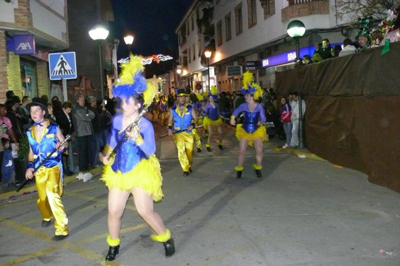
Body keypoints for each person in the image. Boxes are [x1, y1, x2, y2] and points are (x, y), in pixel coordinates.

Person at [99, 55, 175, 261]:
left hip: (140, 170)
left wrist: (138, 138)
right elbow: (113, 142)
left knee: (145, 211)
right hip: (119, 170)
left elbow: (150, 151)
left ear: (138, 105)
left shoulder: (145, 125)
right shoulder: (116, 120)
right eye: (122, 100)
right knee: (114, 211)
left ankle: (166, 237)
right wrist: (106, 155)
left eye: (128, 101)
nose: (123, 104)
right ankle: (113, 245)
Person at [25, 100, 69, 241]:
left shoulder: (54, 127)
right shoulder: (29, 131)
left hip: (53, 167)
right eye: (32, 112)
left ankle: (62, 228)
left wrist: (62, 147)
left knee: (52, 194)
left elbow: (64, 142)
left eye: (37, 111)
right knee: (42, 199)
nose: (34, 114)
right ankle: (46, 215)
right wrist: (30, 166)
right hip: (39, 169)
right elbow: (31, 151)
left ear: (43, 112)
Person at [230, 72, 267, 178]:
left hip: (256, 130)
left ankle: (258, 167)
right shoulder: (243, 105)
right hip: (245, 130)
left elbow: (264, 118)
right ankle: (239, 168)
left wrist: (261, 121)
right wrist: (232, 118)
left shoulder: (259, 106)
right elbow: (236, 112)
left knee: (259, 150)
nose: (245, 97)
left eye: (247, 95)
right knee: (241, 151)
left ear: (252, 96)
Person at [167, 88, 198, 176]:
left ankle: (189, 165)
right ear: (177, 98)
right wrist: (169, 128)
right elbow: (170, 120)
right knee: (181, 150)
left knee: (189, 151)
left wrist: (192, 124)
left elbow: (196, 119)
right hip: (178, 133)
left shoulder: (190, 108)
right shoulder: (172, 109)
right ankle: (185, 169)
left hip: (188, 133)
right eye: (180, 97)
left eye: (184, 97)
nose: (182, 98)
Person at [71, 95, 95, 182]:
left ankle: (86, 167)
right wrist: (88, 116)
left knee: (87, 151)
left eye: (83, 100)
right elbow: (84, 118)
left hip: (88, 132)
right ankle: (83, 168)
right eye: (81, 100)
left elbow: (93, 115)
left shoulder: (85, 108)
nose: (83, 102)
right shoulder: (76, 110)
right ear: (77, 101)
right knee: (82, 152)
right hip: (81, 133)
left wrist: (88, 115)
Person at [55, 101, 74, 176]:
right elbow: (62, 125)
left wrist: (72, 131)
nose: (70, 111)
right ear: (65, 108)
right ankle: (65, 169)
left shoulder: (68, 115)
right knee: (64, 154)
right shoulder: (60, 115)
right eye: (68, 109)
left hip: (67, 135)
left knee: (67, 154)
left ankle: (67, 168)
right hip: (63, 136)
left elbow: (71, 123)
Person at [203, 86, 224, 151]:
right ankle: (208, 145)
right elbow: (206, 112)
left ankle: (220, 144)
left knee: (220, 132)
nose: (211, 99)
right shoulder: (207, 105)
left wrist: (220, 115)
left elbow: (218, 112)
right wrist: (204, 115)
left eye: (212, 98)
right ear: (209, 98)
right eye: (210, 98)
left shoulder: (217, 104)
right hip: (209, 119)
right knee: (211, 133)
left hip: (217, 119)